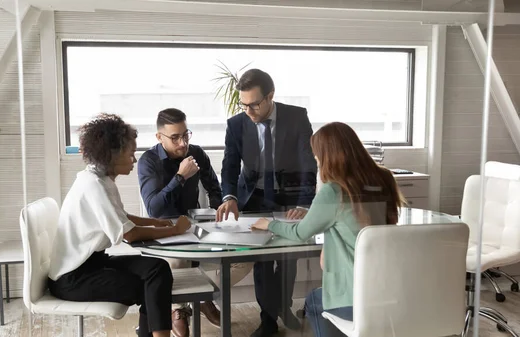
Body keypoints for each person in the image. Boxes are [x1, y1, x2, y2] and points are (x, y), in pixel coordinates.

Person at [251, 122, 405, 337]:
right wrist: (317, 215)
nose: (317, 162)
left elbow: (299, 234)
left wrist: (269, 224)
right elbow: (373, 220)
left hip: (353, 294)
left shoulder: (334, 191)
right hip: (390, 290)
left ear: (328, 156)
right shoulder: (384, 178)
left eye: (317, 157)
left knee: (313, 301)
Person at [48, 113, 192, 337]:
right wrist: (173, 230)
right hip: (73, 277)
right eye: (130, 153)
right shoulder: (93, 185)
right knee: (150, 286)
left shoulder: (100, 179)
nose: (134, 159)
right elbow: (130, 234)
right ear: (112, 154)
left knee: (157, 268)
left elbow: (122, 216)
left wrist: (156, 222)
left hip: (92, 264)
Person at [215, 69, 317, 337]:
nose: (249, 110)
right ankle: (268, 319)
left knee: (288, 258)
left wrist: (305, 203)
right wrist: (230, 196)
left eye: (254, 104)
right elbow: (229, 166)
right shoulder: (236, 124)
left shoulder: (296, 117)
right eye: (243, 104)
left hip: (288, 197)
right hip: (254, 196)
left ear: (270, 96)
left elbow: (308, 161)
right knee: (261, 259)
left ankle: (283, 306)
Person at [138, 108, 253, 336]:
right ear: (159, 138)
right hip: (166, 233)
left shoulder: (197, 154)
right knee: (178, 261)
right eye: (175, 138)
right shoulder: (148, 162)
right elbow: (154, 208)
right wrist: (180, 177)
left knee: (244, 258)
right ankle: (180, 309)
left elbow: (214, 188)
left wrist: (218, 210)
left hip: (196, 228)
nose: (183, 143)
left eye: (186, 135)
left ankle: (201, 296)